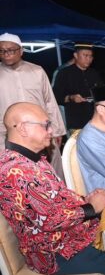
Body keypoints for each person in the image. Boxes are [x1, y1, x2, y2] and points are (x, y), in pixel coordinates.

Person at [0, 102, 105, 275]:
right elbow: (48, 220)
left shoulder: (31, 160)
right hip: (52, 253)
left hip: (67, 238)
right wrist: (92, 208)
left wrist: (86, 200)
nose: (51, 130)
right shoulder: (14, 171)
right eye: (45, 125)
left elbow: (56, 199)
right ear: (23, 128)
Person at [0, 32, 66, 178]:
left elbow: (49, 101)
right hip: (8, 135)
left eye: (10, 50)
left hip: (40, 131)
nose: (6, 54)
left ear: (21, 51)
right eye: (2, 51)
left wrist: (57, 130)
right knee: (14, 174)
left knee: (51, 171)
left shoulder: (37, 71)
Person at [53, 43, 103, 130]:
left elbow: (102, 92)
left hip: (95, 122)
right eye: (85, 55)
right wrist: (71, 97)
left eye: (91, 56)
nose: (88, 59)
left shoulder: (94, 73)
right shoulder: (64, 73)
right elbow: (56, 97)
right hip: (76, 124)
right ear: (76, 55)